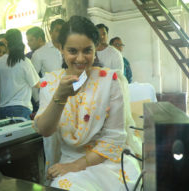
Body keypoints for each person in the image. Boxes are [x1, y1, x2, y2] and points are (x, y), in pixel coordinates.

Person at [34, 16, 141, 190]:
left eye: (87, 50)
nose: (81, 58)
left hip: (108, 161)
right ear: (60, 48)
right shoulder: (51, 82)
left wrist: (76, 166)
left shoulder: (110, 81)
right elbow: (44, 130)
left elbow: (114, 138)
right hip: (69, 162)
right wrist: (60, 96)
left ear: (96, 48)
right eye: (73, 51)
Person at [0, 29, 40, 120]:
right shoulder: (24, 61)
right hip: (21, 109)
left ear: (6, 42)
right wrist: (48, 82)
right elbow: (36, 84)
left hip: (3, 109)